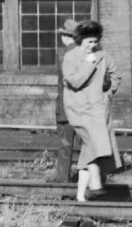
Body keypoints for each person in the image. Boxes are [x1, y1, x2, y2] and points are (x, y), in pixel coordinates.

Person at [62, 20, 121, 202]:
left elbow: (116, 74)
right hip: (79, 110)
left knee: (89, 149)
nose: (92, 45)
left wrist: (109, 92)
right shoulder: (71, 57)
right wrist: (89, 64)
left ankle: (82, 196)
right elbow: (76, 81)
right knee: (94, 143)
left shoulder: (103, 55)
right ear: (80, 40)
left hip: (99, 110)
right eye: (89, 42)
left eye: (95, 41)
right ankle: (95, 184)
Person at [51, 19, 78, 183]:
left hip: (65, 106)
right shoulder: (87, 54)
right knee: (86, 147)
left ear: (66, 37)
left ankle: (62, 178)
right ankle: (90, 180)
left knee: (64, 144)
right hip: (83, 108)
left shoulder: (63, 54)